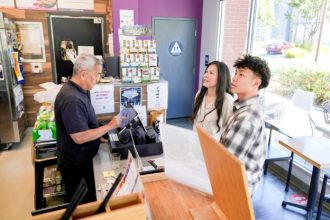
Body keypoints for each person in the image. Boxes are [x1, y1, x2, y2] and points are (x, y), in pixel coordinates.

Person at [55, 53, 121, 203]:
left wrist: (100, 136)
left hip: (82, 159)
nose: (98, 79)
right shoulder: (72, 99)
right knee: (82, 205)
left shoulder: (78, 91)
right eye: (96, 75)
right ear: (83, 74)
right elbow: (79, 136)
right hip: (76, 165)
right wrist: (110, 126)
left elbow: (84, 122)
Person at [220, 54, 271, 196]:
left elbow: (226, 162)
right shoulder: (242, 107)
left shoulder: (247, 118)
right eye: (235, 73)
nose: (234, 78)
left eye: (241, 75)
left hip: (236, 187)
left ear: (256, 83)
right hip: (233, 180)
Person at [192, 61, 234, 138]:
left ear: (221, 77)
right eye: (206, 72)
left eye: (211, 73)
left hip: (213, 147)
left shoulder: (227, 100)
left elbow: (230, 131)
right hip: (196, 143)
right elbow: (195, 122)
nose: (205, 75)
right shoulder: (199, 94)